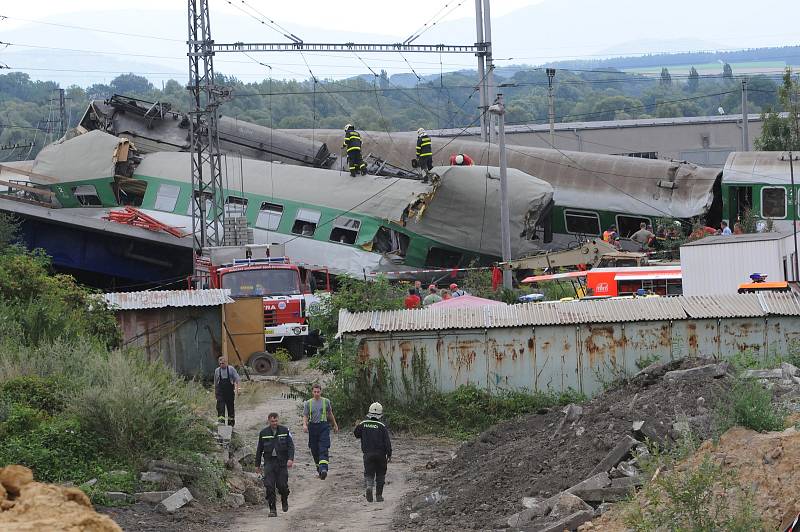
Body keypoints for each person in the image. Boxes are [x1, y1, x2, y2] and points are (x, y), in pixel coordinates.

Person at [256, 412, 295, 517]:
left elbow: (291, 446)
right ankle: (272, 509)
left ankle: (284, 499)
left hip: (282, 462)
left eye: (276, 421)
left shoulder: (285, 431)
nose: (274, 423)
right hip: (269, 462)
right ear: (269, 421)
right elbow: (259, 450)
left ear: (278, 420)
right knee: (269, 486)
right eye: (272, 421)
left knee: (282, 485)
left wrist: (290, 459)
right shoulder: (263, 433)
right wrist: (257, 465)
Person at [354, 402, 392, 503]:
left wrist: (357, 426)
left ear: (369, 413)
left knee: (369, 473)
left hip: (368, 454)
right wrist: (389, 454)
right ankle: (379, 496)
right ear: (380, 414)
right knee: (380, 474)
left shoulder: (363, 424)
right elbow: (387, 441)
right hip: (381, 455)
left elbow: (356, 434)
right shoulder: (382, 426)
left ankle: (369, 486)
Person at [302, 384, 339, 479]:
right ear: (312, 392)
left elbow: (330, 414)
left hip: (323, 426)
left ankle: (324, 469)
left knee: (323, 447)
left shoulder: (326, 401)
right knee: (314, 450)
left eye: (318, 392)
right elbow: (305, 415)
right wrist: (305, 425)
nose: (316, 393)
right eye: (315, 392)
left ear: (321, 392)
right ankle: (319, 471)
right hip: (313, 427)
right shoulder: (308, 403)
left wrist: (335, 425)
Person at [214, 357, 240, 426]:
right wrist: (215, 393)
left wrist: (238, 389)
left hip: (229, 393)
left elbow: (237, 379)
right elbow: (216, 382)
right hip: (220, 394)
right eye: (220, 363)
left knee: (230, 409)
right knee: (220, 408)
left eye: (223, 363)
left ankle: (231, 424)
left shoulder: (231, 369)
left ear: (226, 362)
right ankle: (221, 423)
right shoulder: (217, 370)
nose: (221, 365)